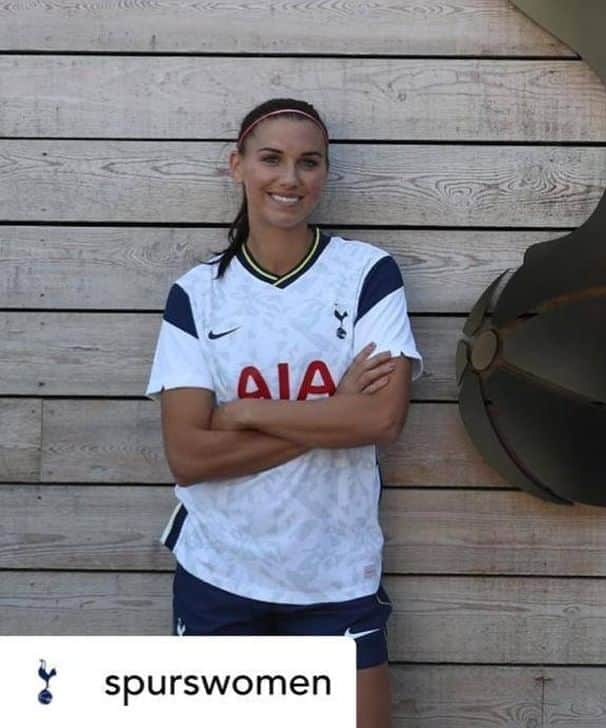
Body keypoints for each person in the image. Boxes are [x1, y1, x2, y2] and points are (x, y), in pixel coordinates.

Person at [144, 97, 423, 728]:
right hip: (220, 570)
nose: (289, 179)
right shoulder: (198, 293)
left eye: (309, 162)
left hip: (335, 573)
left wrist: (243, 413)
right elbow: (189, 458)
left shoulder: (365, 275)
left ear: (325, 174)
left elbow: (381, 421)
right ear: (236, 166)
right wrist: (332, 413)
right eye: (271, 159)